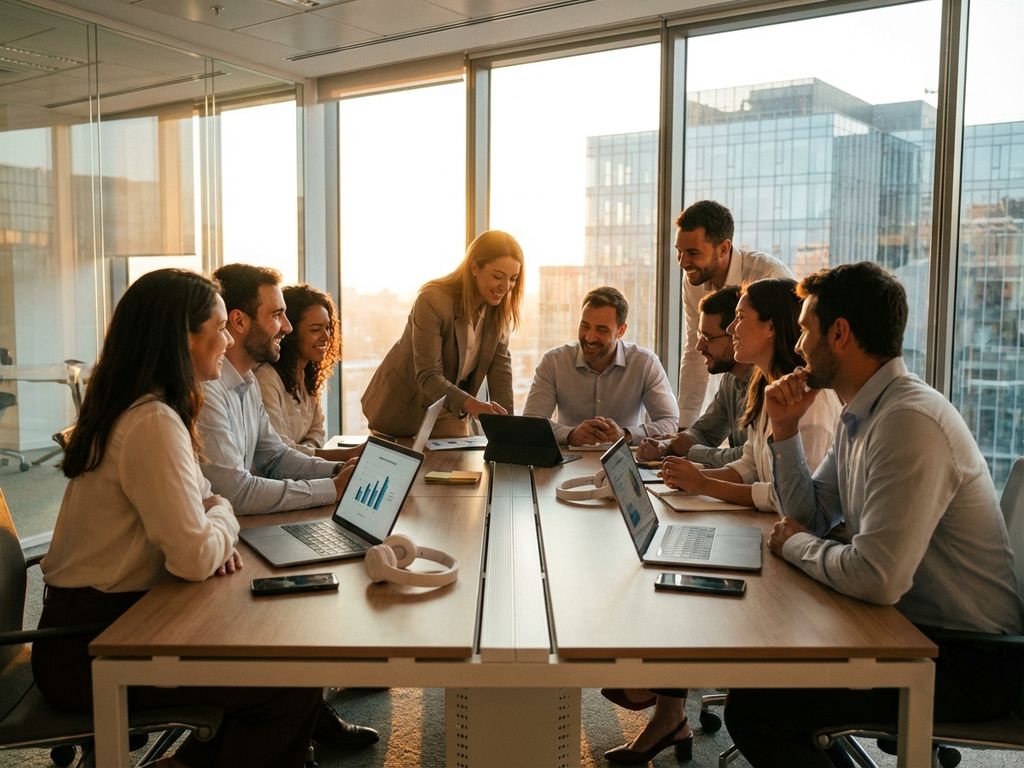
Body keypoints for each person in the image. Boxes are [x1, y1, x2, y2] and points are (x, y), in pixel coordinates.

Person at [724, 262, 1024, 767]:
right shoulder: (863, 414)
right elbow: (812, 516)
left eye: (804, 330)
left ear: (839, 334)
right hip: (910, 631)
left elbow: (875, 577)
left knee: (758, 708)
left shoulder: (908, 422)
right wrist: (786, 429)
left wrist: (793, 544)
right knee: (768, 674)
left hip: (968, 659)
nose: (797, 346)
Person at [33, 269, 322, 768]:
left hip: (114, 619)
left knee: (276, 650)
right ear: (183, 338)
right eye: (219, 326)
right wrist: (222, 522)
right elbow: (196, 551)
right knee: (290, 681)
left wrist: (214, 520)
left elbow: (208, 499)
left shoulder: (150, 409)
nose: (228, 339)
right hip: (91, 645)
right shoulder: (151, 422)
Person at [601, 278, 842, 765]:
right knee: (673, 560)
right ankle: (668, 708)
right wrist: (691, 482)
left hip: (805, 560)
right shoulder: (766, 387)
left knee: (685, 584)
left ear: (771, 329)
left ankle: (659, 689)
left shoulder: (807, 406)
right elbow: (753, 466)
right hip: (778, 540)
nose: (732, 329)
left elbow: (792, 504)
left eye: (739, 320)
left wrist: (707, 484)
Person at [197, 263, 378, 751]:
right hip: (204, 558)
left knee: (318, 574)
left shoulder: (245, 382)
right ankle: (296, 725)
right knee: (299, 605)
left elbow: (273, 455)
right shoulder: (208, 393)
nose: (288, 326)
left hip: (226, 537)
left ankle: (305, 721)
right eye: (277, 315)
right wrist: (330, 491)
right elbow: (234, 489)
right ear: (238, 322)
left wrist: (337, 477)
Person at [361, 230, 523, 437]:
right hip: (402, 404)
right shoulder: (433, 301)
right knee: (404, 467)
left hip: (447, 408)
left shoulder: (498, 314)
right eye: (498, 276)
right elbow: (429, 375)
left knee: (456, 465)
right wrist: (474, 405)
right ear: (474, 267)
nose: (506, 286)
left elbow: (501, 372)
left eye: (513, 279)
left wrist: (509, 431)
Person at [675, 200, 791, 428]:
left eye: (692, 253)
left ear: (724, 248)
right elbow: (694, 351)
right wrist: (684, 425)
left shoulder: (768, 274)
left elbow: (789, 351)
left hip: (777, 396)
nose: (683, 262)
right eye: (679, 252)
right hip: (736, 387)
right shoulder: (693, 281)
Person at [522, 286, 678, 446]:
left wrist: (626, 434)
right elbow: (531, 424)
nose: (590, 337)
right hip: (567, 464)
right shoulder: (553, 362)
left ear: (621, 331)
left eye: (601, 330)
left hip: (624, 464)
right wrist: (570, 434)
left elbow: (670, 422)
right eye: (585, 326)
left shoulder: (645, 363)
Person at [637, 285, 751, 467]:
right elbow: (705, 433)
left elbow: (750, 457)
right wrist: (664, 447)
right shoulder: (731, 379)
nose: (699, 347)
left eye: (707, 337)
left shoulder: (768, 383)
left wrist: (691, 451)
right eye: (699, 335)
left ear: (736, 334)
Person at [255, 283, 350, 460]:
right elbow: (279, 450)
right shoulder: (266, 378)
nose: (326, 336)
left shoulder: (305, 374)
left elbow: (317, 430)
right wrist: (344, 455)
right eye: (315, 329)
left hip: (300, 471)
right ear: (291, 333)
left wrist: (305, 451)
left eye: (328, 328)